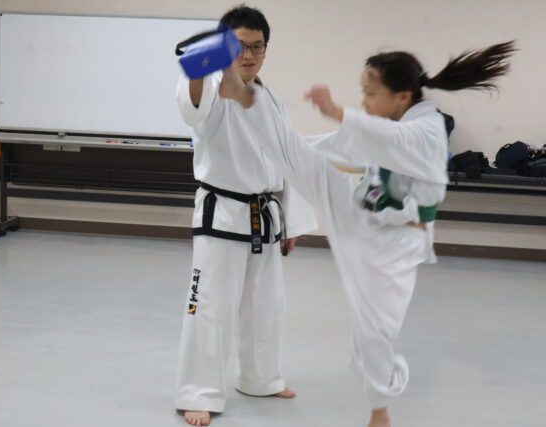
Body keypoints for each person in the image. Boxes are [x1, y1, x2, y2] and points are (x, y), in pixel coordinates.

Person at [219, 41, 516, 427]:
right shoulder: (389, 123)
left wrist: (337, 112)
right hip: (361, 216)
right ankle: (246, 97)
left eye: (370, 93)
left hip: (394, 244)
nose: (364, 101)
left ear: (402, 96)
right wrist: (271, 150)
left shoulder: (426, 128)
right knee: (299, 155)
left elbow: (395, 143)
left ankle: (380, 412)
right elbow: (332, 146)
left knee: (373, 337)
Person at [174, 5, 317, 426]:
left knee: (266, 306)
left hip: (265, 216)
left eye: (258, 46)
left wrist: (292, 221)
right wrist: (199, 66)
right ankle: (198, 392)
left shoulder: (272, 100)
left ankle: (261, 379)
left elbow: (289, 161)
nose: (249, 55)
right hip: (221, 216)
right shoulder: (213, 88)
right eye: (239, 46)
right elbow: (192, 105)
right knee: (208, 307)